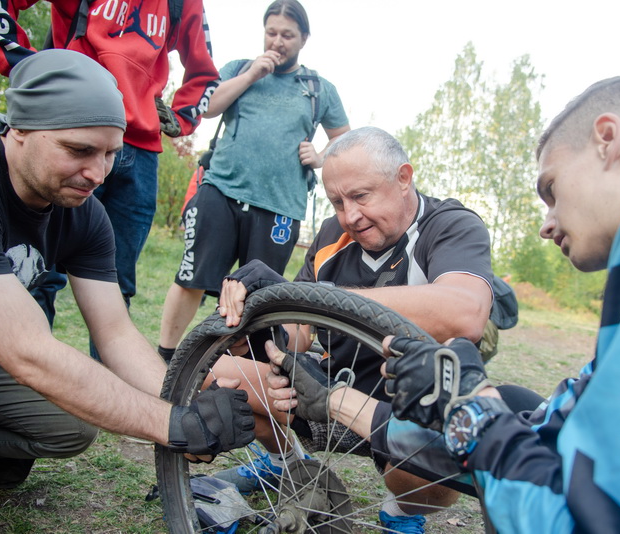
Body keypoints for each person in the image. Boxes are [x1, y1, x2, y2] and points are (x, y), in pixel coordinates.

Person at [271, 77, 620, 532]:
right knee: (520, 404)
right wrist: (341, 401)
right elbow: (545, 444)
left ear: (608, 141)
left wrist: (469, 410)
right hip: (366, 397)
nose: (547, 223)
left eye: (551, 189)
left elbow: (589, 519)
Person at [0, 50, 254, 490]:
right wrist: (171, 425)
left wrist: (186, 403)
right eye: (79, 150)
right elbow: (27, 350)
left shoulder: (82, 211)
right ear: (20, 130)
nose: (97, 173)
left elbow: (115, 333)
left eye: (110, 153)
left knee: (71, 423)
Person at [214, 126, 503, 532]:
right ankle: (286, 463)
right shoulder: (335, 235)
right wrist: (261, 328)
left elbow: (465, 312)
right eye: (336, 202)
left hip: (399, 411)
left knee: (431, 464)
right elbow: (299, 333)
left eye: (361, 196)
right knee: (223, 375)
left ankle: (403, 512)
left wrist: (318, 296)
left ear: (404, 178)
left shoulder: (450, 225)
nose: (349, 216)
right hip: (323, 391)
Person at [0, 0, 220, 340]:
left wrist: (183, 116)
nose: (97, 172)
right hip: (68, 126)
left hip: (140, 150)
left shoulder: (183, 3)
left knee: (116, 284)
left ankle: (108, 388)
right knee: (38, 272)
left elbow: (205, 70)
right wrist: (26, 65)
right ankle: (17, 380)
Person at [157, 0, 350, 363]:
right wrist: (250, 76)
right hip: (222, 191)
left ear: (304, 39)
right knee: (192, 278)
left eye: (287, 35)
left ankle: (243, 374)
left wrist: (322, 157)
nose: (277, 42)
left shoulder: (319, 88)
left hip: (279, 206)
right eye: (271, 33)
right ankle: (164, 358)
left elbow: (343, 136)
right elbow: (207, 106)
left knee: (259, 297)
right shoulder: (239, 69)